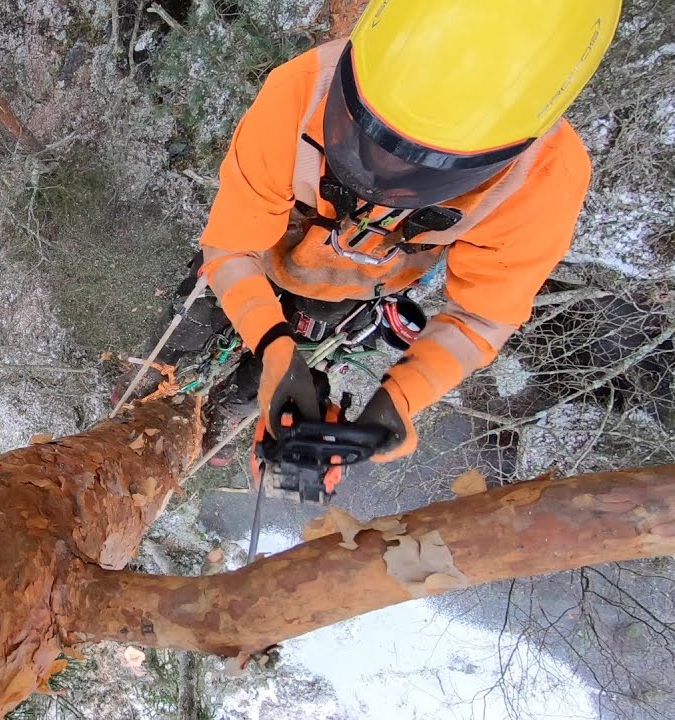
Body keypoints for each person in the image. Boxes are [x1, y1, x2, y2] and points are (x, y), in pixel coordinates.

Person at [185, 0, 622, 463]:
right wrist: (269, 337)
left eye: (425, 171)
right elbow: (232, 244)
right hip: (268, 246)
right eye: (369, 136)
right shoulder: (302, 92)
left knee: (269, 370)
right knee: (195, 311)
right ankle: (161, 379)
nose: (385, 176)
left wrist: (404, 394)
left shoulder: (540, 180)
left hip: (356, 287)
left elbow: (483, 317)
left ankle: (222, 415)